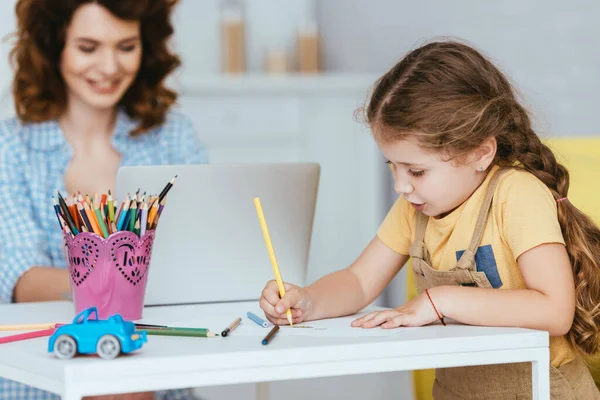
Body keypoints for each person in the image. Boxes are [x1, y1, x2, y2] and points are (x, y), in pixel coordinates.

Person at [260, 40, 600, 399]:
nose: (400, 186)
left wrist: (441, 300)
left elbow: (555, 310)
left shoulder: (516, 195)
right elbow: (359, 281)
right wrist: (308, 300)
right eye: (393, 166)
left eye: (417, 171)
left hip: (542, 390)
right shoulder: (415, 208)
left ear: (481, 153)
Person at [0, 0, 206, 399]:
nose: (110, 67)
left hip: (156, 368)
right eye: (88, 47)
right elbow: (20, 277)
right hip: (41, 380)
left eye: (126, 47)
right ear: (53, 45)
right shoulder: (10, 146)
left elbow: (200, 253)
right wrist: (124, 291)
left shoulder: (174, 136)